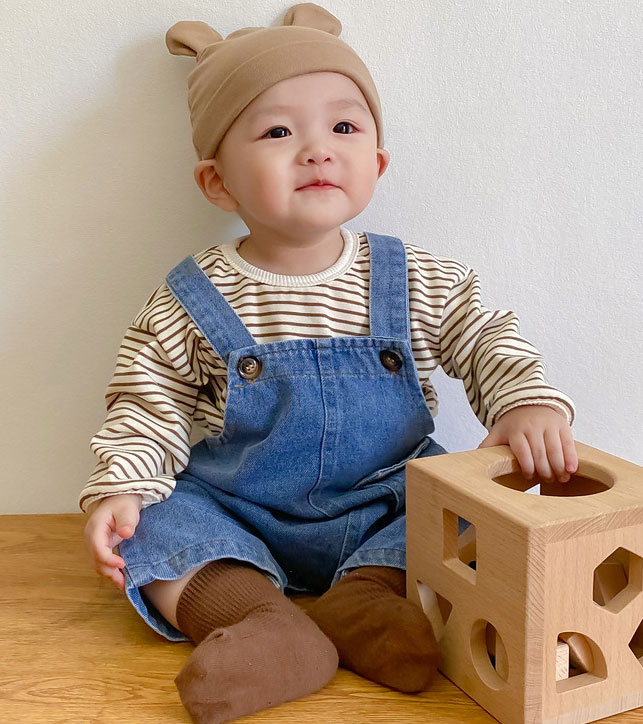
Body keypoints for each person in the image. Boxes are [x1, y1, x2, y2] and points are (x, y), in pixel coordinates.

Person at [81, 4, 578, 723]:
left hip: (388, 503)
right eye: (277, 132)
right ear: (218, 182)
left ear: (376, 163)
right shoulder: (192, 296)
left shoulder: (413, 278)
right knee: (151, 524)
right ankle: (261, 622)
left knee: (469, 514)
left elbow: (485, 336)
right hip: (238, 513)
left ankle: (364, 601)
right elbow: (145, 400)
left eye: (343, 127)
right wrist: (122, 488)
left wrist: (525, 403)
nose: (316, 150)